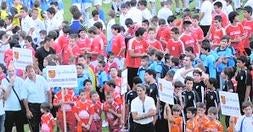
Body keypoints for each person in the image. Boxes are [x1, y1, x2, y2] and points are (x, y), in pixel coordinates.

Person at [21, 65, 52, 132]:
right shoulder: (25, 83)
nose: (31, 73)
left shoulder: (41, 78)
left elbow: (49, 91)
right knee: (34, 126)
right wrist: (27, 110)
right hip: (32, 106)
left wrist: (50, 102)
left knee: (45, 126)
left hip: (43, 105)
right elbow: (24, 98)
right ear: (26, 73)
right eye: (29, 72)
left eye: (32, 71)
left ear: (34, 71)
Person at [3, 65, 25, 132]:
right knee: (8, 128)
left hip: (19, 108)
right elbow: (5, 97)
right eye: (10, 71)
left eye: (13, 71)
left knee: (20, 128)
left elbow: (23, 95)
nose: (11, 73)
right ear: (7, 72)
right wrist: (10, 84)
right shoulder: (4, 81)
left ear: (15, 71)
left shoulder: (20, 80)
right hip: (8, 109)